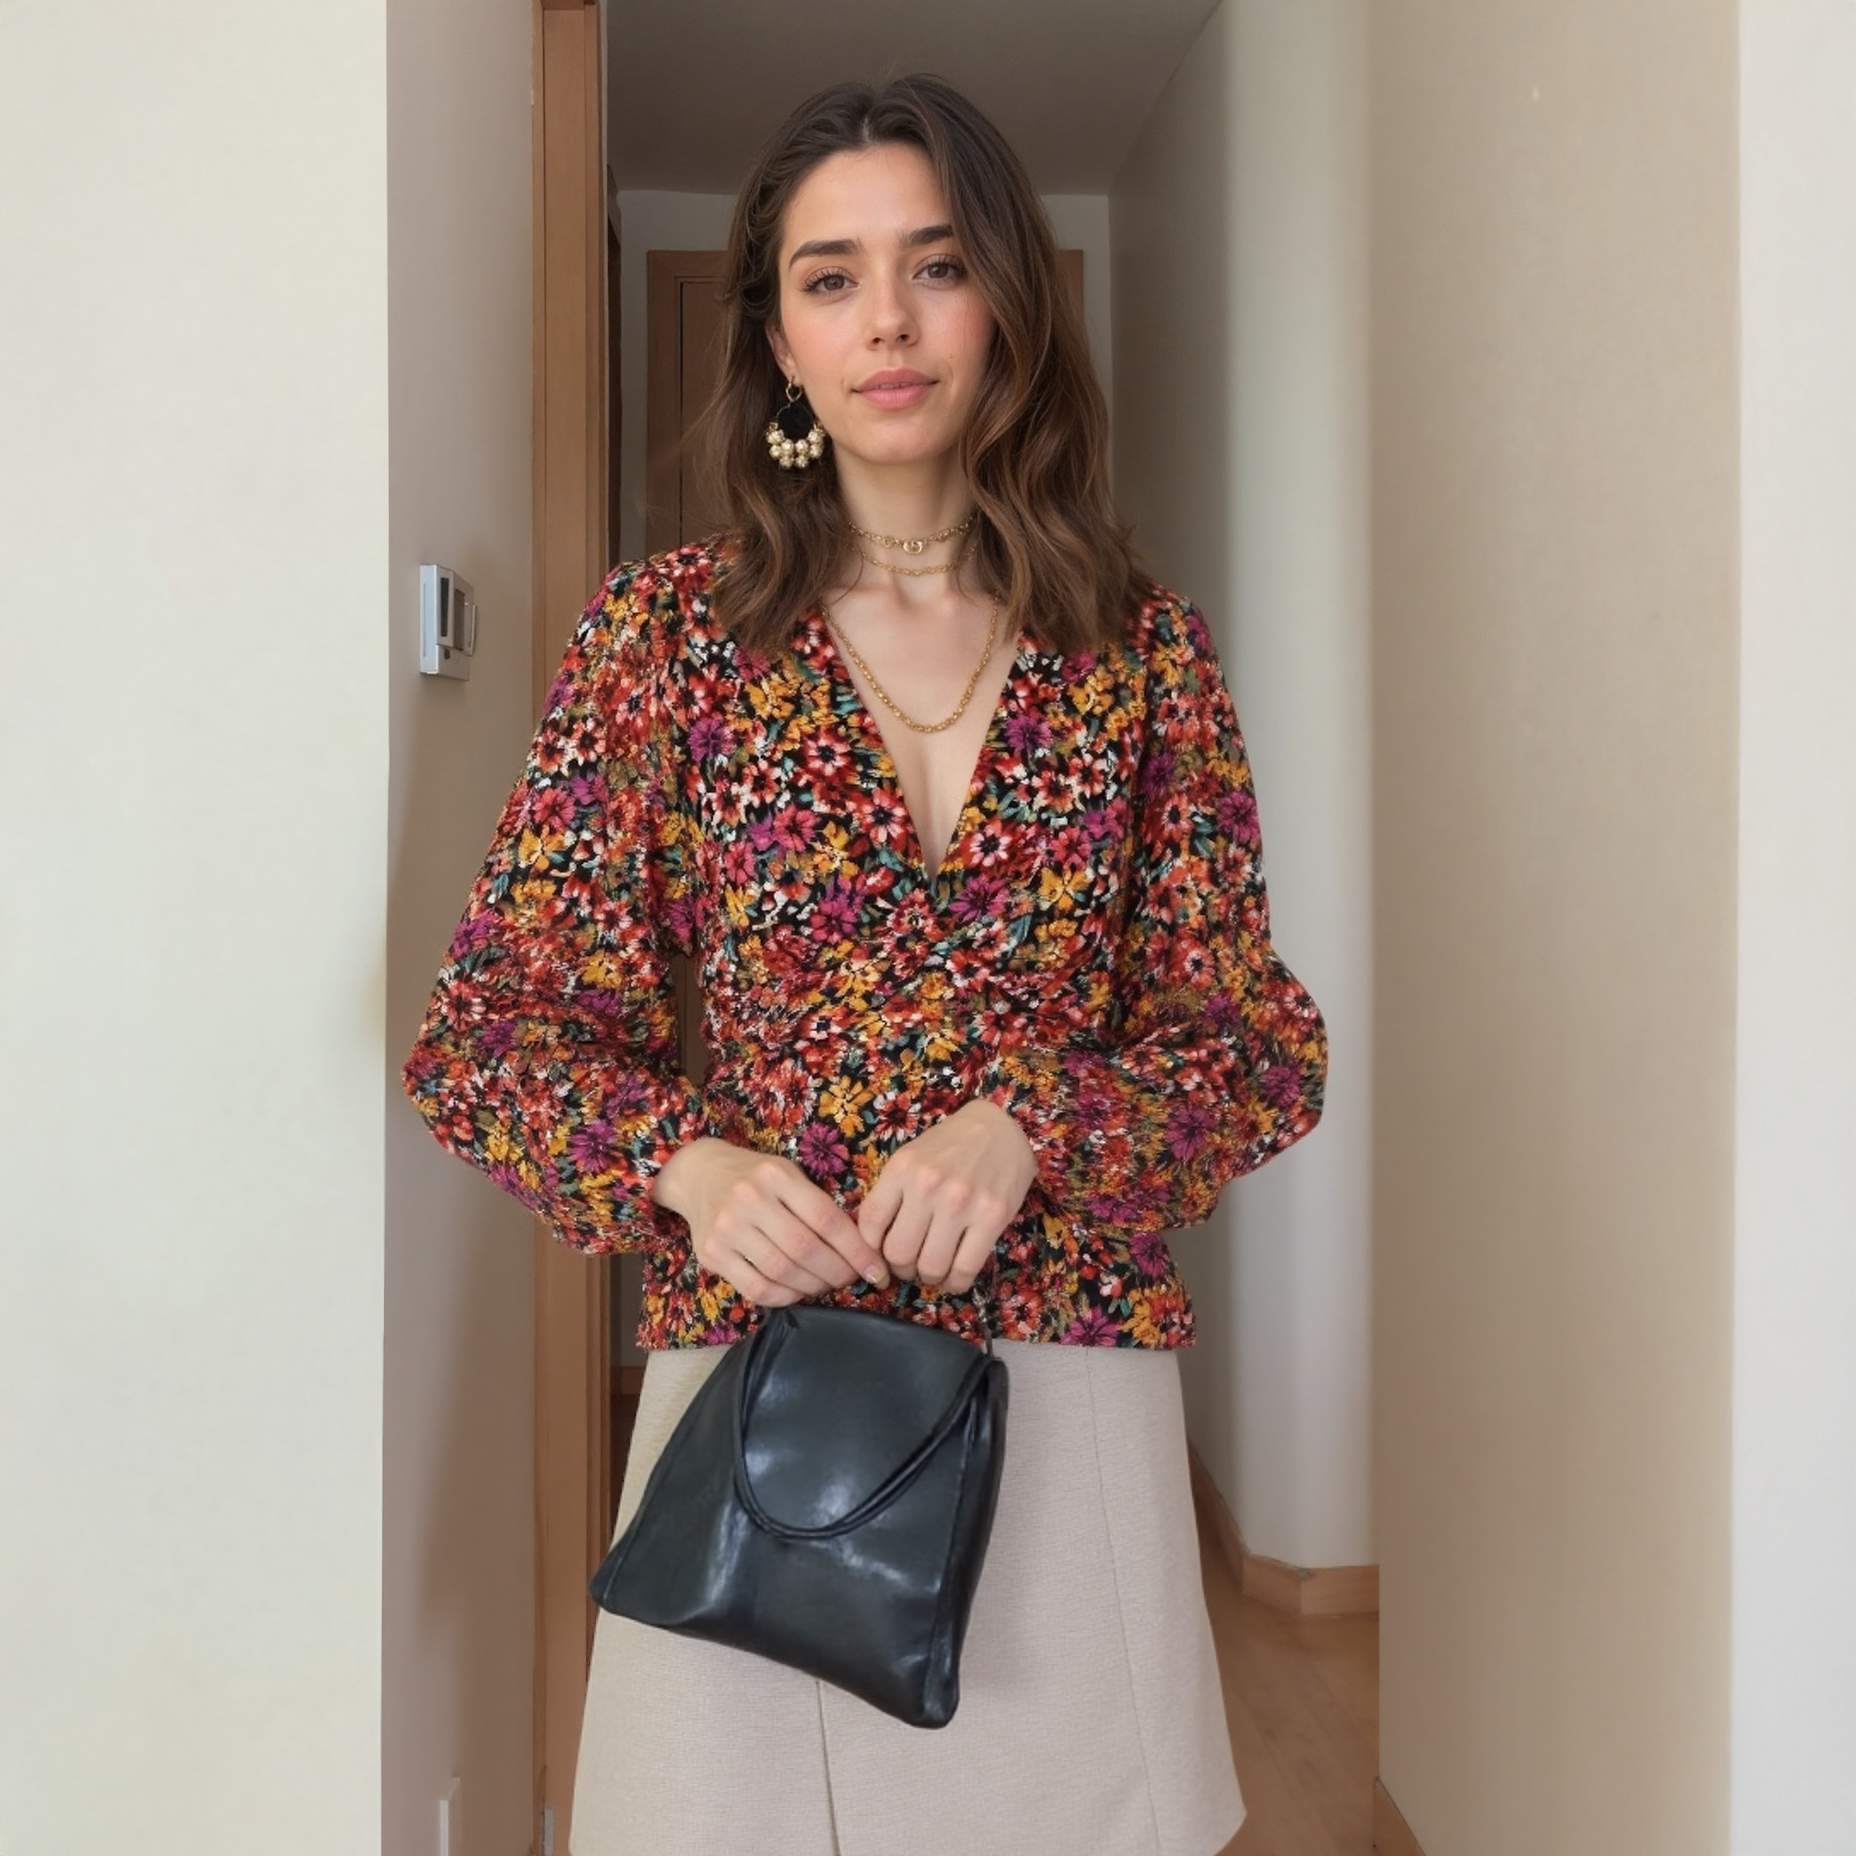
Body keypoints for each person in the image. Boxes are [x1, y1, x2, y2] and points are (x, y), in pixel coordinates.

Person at [403, 73, 1327, 1856]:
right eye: (830, 278)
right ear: (777, 339)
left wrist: (1034, 1126)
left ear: (1011, 311)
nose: (888, 321)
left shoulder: (1143, 657)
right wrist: (689, 1163)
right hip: (765, 1393)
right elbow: (486, 1031)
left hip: (1064, 1381)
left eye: (936, 264)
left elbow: (1252, 1047)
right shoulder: (663, 640)